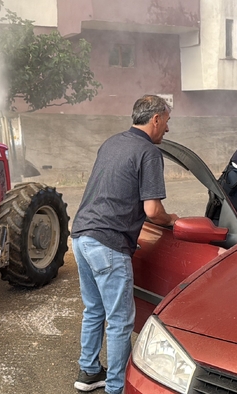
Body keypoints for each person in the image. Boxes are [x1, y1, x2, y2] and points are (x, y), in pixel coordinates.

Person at [71, 95, 179, 394]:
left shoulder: (112, 143)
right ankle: (116, 388)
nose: (167, 128)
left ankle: (89, 371)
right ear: (156, 119)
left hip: (81, 236)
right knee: (120, 321)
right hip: (108, 242)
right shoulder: (148, 152)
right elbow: (153, 211)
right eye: (167, 121)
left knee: (94, 309)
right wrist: (172, 220)